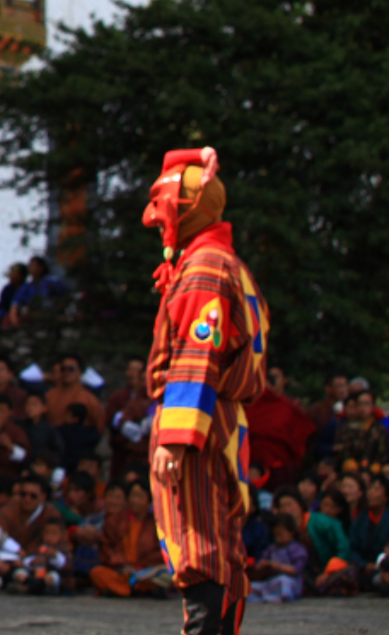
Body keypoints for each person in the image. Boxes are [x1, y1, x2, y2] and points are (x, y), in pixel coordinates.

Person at [142, 148, 269, 634]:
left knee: (198, 541)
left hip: (197, 422)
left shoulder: (205, 268)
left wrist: (175, 438)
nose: (156, 222)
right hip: (218, 418)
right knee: (218, 538)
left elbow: (198, 357)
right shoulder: (222, 262)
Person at [92, 480, 170, 596]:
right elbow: (106, 548)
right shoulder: (115, 521)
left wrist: (141, 565)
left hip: (146, 570)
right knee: (97, 572)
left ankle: (123, 588)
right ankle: (134, 589)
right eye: (133, 496)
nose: (136, 501)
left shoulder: (156, 524)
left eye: (140, 497)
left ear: (149, 500)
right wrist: (123, 564)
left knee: (168, 576)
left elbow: (162, 551)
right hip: (121, 570)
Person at [245, 367, 317, 490]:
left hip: (279, 465)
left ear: (285, 380)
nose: (270, 382)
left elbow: (301, 436)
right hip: (252, 463)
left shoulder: (290, 408)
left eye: (275, 377)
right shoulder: (250, 404)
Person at [247, 513, 307, 603]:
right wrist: (260, 566)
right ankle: (265, 597)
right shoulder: (272, 548)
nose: (278, 538)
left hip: (290, 581)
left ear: (291, 533)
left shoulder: (297, 549)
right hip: (273, 580)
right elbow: (262, 561)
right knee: (252, 586)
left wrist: (276, 566)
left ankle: (281, 597)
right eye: (276, 535)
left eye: (281, 535)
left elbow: (295, 570)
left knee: (284, 581)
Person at [43, 354, 106, 434]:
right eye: (63, 369)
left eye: (71, 369)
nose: (66, 372)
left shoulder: (89, 399)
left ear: (80, 371)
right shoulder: (49, 395)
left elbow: (99, 426)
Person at [332, 388, 388, 472]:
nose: (363, 408)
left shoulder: (380, 429)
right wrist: (347, 460)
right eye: (360, 404)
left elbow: (382, 452)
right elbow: (342, 448)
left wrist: (377, 464)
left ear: (373, 407)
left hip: (373, 471)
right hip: (350, 470)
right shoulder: (348, 427)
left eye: (366, 404)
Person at [13, 519, 71, 595]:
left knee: (53, 577)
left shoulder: (62, 548)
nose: (49, 537)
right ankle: (25, 586)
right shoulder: (38, 546)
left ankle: (50, 589)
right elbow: (28, 558)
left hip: (50, 573)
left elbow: (64, 564)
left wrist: (54, 555)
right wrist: (32, 562)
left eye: (53, 534)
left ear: (61, 535)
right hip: (34, 575)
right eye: (47, 533)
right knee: (20, 573)